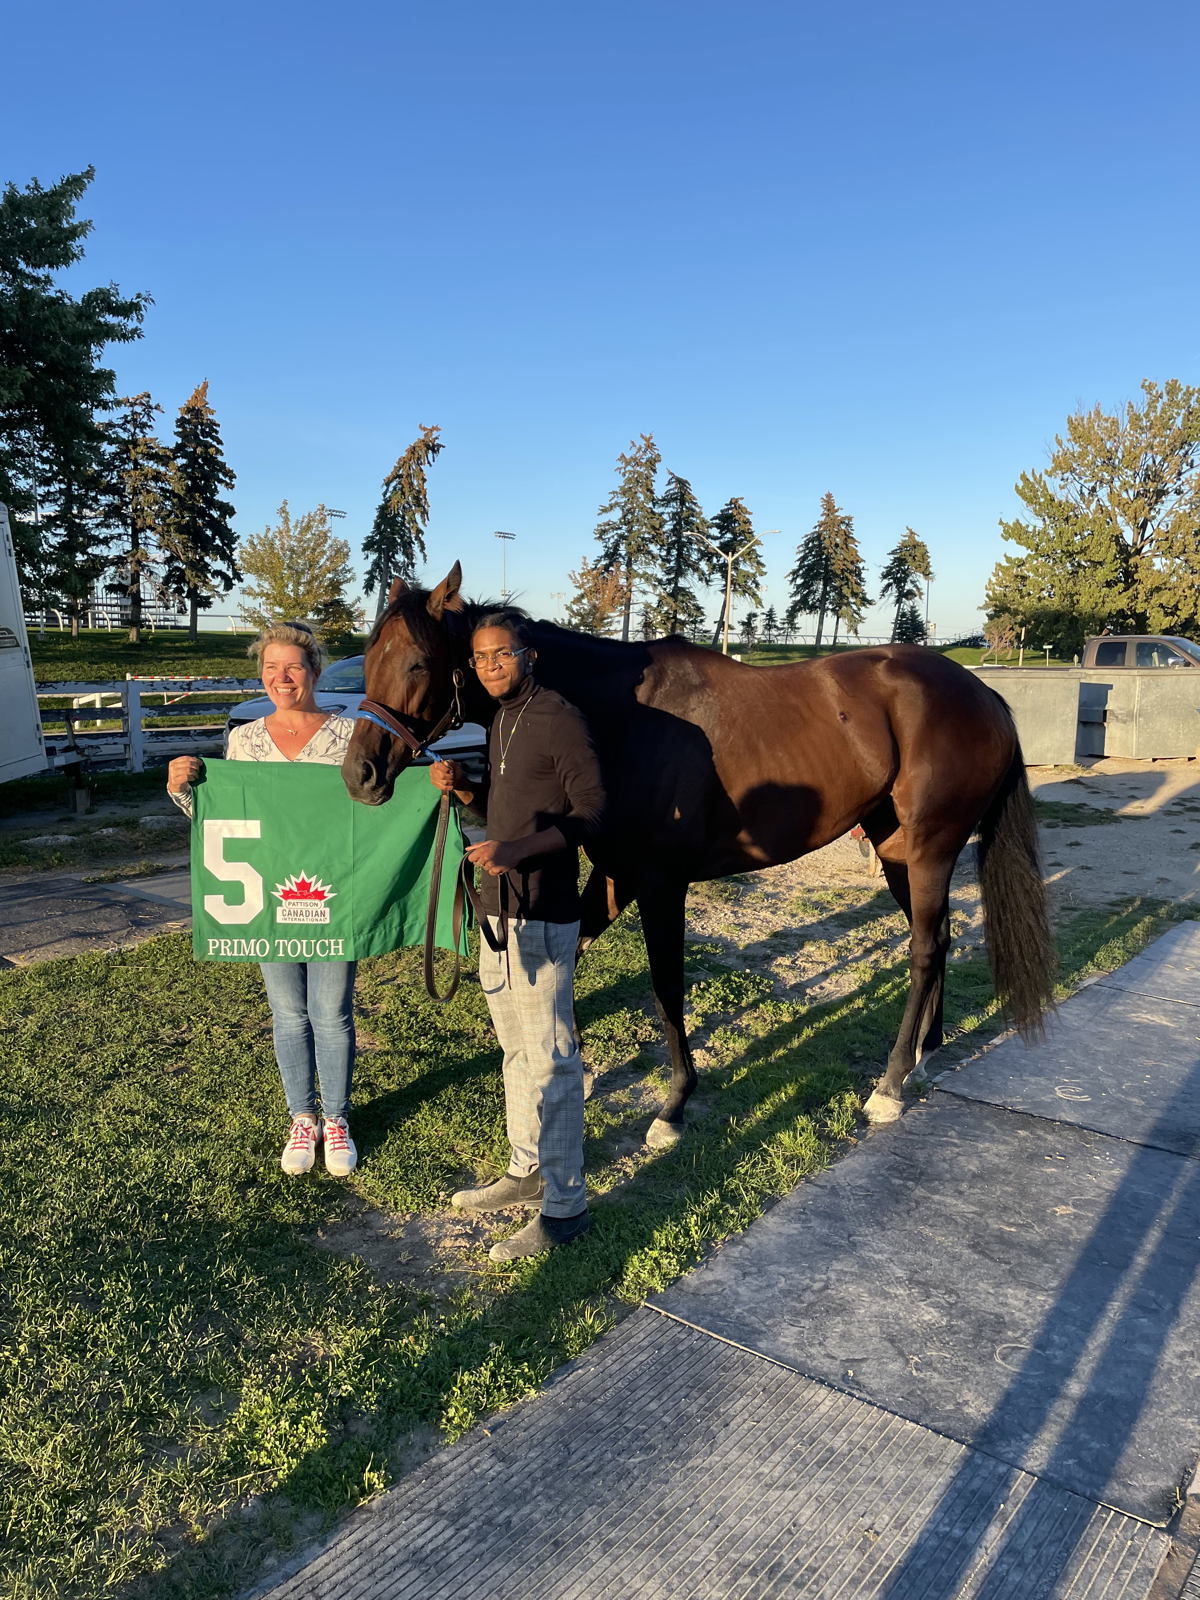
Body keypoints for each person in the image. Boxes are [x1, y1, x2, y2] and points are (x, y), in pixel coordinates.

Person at [430, 609, 606, 1262]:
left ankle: (565, 1208)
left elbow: (593, 814)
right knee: (514, 1053)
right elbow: (506, 809)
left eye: (500, 654)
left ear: (528, 655)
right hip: (495, 913)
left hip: (543, 915)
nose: (490, 666)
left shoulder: (560, 716)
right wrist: (465, 791)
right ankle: (525, 1167)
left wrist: (517, 851)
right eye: (479, 658)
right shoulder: (500, 719)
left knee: (553, 1060)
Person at [167, 621, 359, 1178]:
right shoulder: (245, 740)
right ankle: (302, 1117)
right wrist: (184, 790)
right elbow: (225, 822)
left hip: (332, 896)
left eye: (293, 666)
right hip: (268, 901)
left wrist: (436, 788)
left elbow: (376, 806)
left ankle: (336, 1120)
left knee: (332, 1013)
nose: (282, 678)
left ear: (315, 671)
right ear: (261, 675)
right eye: (271, 668)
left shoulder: (351, 735)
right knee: (288, 1014)